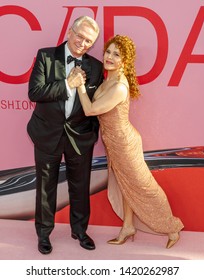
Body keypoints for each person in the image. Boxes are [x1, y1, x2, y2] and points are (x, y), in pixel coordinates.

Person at [76, 34, 184, 249]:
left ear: (125, 61)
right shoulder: (110, 80)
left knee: (144, 187)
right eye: (108, 51)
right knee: (126, 186)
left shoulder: (118, 87)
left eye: (117, 54)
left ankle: (172, 227)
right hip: (114, 143)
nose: (109, 57)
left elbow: (90, 110)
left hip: (125, 144)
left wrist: (79, 85)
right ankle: (128, 226)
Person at [27, 16, 104, 254]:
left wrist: (92, 133)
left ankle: (79, 231)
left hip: (80, 137)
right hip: (47, 133)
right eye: (80, 36)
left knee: (80, 186)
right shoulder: (46, 56)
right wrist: (68, 84)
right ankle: (43, 234)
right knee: (45, 187)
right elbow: (35, 92)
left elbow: (96, 104)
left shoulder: (96, 67)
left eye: (89, 41)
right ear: (70, 31)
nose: (82, 43)